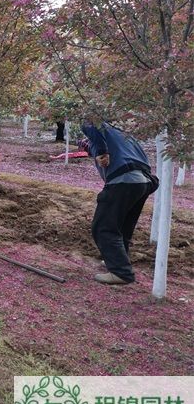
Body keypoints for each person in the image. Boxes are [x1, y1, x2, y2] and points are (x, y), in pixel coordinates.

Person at [81, 121, 159, 285]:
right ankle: (117, 260)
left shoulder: (93, 124)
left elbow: (89, 125)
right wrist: (93, 150)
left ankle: (121, 272)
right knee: (122, 227)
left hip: (123, 180)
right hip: (143, 182)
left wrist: (101, 151)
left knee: (103, 227)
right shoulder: (122, 133)